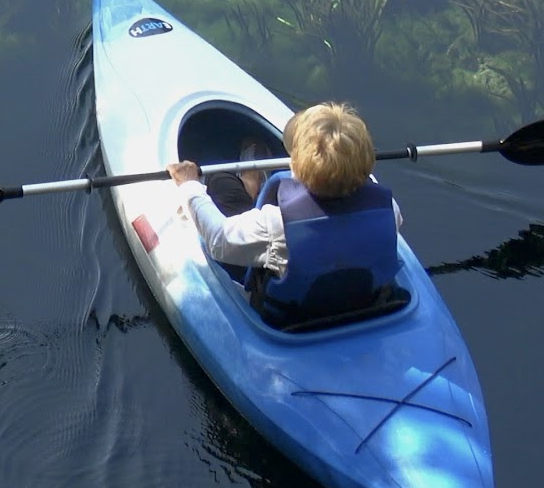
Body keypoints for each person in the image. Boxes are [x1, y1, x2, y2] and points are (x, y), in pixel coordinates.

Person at [166, 101, 403, 327]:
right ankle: (253, 183)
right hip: (364, 305)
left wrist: (190, 186)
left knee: (221, 183)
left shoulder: (276, 224)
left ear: (295, 167)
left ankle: (251, 186)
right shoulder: (388, 208)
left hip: (293, 321)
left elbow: (219, 240)